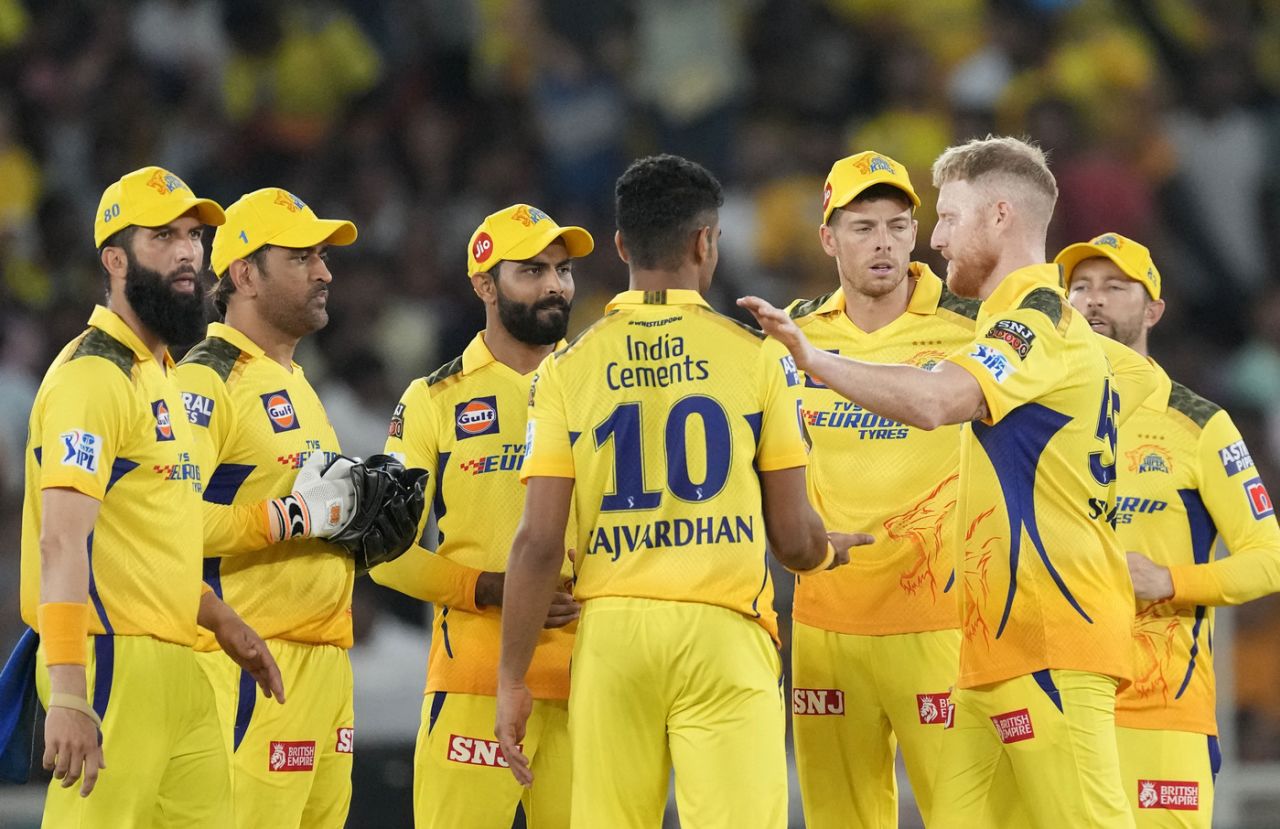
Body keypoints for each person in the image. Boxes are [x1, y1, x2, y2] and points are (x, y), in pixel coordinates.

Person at [740, 136, 1157, 828]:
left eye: (945, 218)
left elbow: (940, 402)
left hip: (1050, 631)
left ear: (999, 216)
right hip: (986, 646)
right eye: (868, 225)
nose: (931, 239)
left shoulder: (1038, 320)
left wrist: (815, 361)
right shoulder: (1012, 322)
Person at [495, 154, 868, 829]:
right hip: (722, 629)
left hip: (611, 636)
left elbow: (539, 540)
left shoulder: (566, 370)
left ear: (620, 246)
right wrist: (827, 552)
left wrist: (512, 677)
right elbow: (791, 536)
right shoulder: (758, 356)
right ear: (705, 242)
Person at [19, 166, 282, 826]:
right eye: (163, 236)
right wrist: (72, 690)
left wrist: (221, 619)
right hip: (110, 657)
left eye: (194, 235)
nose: (189, 250)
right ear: (115, 259)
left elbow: (147, 536)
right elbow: (61, 538)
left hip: (178, 660)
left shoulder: (158, 372)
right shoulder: (92, 377)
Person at [369, 203, 592, 828]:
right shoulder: (434, 400)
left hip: (597, 680)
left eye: (563, 270)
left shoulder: (603, 387)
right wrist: (492, 589)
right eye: (532, 270)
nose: (555, 285)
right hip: (473, 680)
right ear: (484, 285)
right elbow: (384, 556)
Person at [785, 151, 979, 828]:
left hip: (941, 622)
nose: (884, 243)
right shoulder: (791, 334)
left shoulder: (970, 326)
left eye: (898, 225)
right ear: (828, 238)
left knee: (967, 817)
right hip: (826, 622)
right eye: (864, 226)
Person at [1060, 232, 1280, 827]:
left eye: (1114, 287)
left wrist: (1169, 580)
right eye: (1079, 288)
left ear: (1153, 310)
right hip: (1049, 704)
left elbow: (1269, 558)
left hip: (1160, 707)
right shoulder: (1026, 416)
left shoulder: (1201, 425)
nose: (1094, 301)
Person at [179, 187, 360, 828]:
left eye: (323, 256)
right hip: (247, 667)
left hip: (325, 665)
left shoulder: (297, 381)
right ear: (245, 273)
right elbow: (166, 524)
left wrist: (358, 528)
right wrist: (290, 519)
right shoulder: (206, 378)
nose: (324, 272)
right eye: (303, 256)